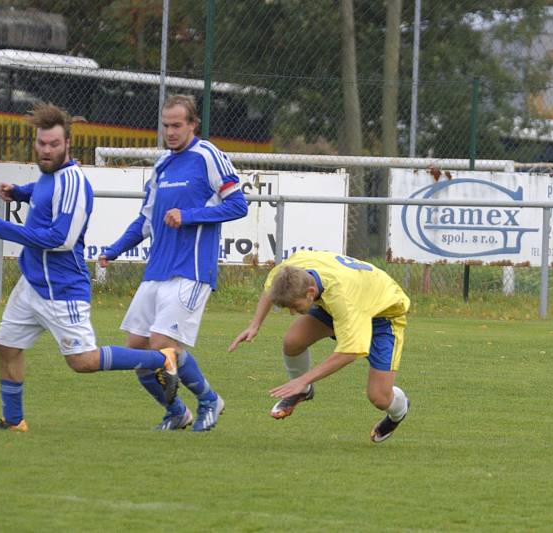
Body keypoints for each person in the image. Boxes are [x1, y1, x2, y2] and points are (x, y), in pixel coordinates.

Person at [0, 102, 181, 432]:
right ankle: (14, 421)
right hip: (32, 282)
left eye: (54, 144)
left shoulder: (74, 181)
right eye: (42, 144)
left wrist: (2, 228)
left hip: (62, 288)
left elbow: (60, 239)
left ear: (68, 145)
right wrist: (19, 193)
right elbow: (44, 195)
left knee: (82, 361)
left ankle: (162, 359)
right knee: (7, 346)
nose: (46, 150)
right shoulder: (49, 175)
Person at [99, 94, 247, 432]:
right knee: (137, 354)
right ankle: (177, 412)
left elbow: (239, 205)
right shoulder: (162, 164)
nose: (171, 132)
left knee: (161, 346)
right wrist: (115, 249)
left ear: (193, 124)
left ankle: (210, 400)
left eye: (177, 125)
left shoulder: (207, 156)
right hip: (156, 272)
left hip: (191, 270)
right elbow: (146, 220)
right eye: (166, 126)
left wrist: (189, 215)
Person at [228, 250, 411, 442]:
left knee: (379, 397)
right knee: (292, 341)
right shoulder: (288, 272)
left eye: (295, 307)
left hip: (383, 315)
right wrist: (254, 325)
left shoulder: (343, 297)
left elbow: (349, 352)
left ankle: (399, 412)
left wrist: (303, 378)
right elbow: (271, 288)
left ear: (310, 293)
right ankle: (303, 391)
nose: (292, 313)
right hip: (342, 303)